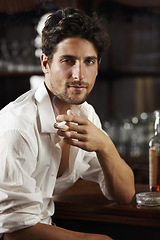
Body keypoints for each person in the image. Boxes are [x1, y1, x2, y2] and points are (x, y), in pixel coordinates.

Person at [0, 8, 135, 240]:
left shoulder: (86, 114)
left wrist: (105, 146)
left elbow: (124, 193)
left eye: (89, 61)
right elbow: (14, 232)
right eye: (68, 61)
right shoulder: (17, 125)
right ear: (46, 63)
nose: (78, 74)